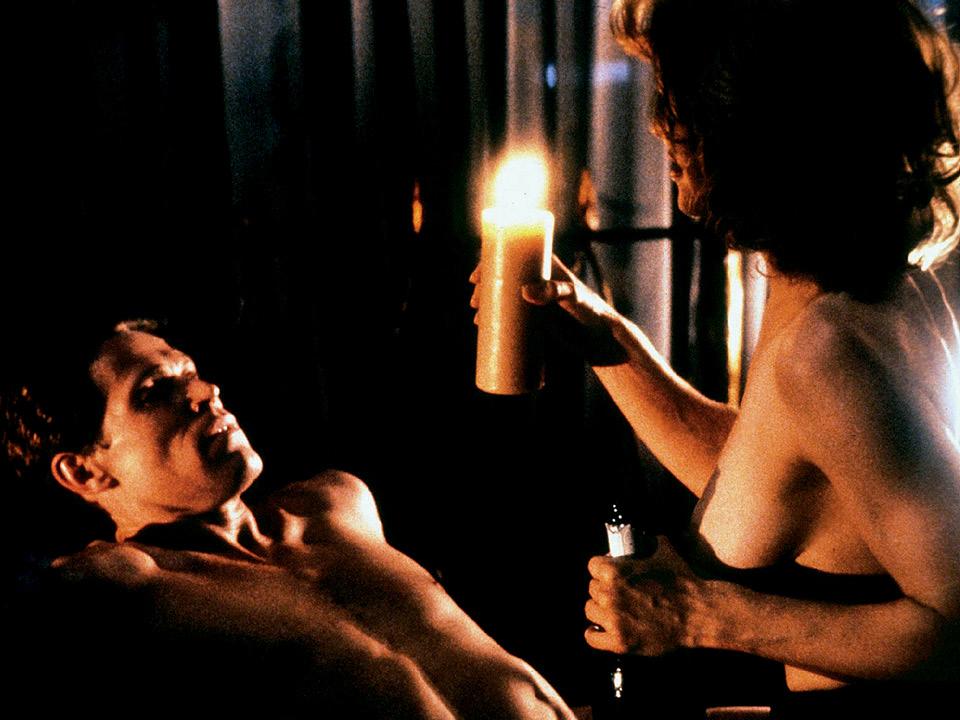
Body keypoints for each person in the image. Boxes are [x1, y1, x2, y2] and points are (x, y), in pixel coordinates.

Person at [473, 0, 959, 714]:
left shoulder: (828, 349)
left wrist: (696, 615)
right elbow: (774, 474)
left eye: (681, 103)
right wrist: (609, 342)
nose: (658, 127)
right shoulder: (838, 287)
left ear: (761, 124)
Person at [2, 319, 575, 719]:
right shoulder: (118, 588)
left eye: (192, 373)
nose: (207, 391)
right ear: (84, 471)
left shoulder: (337, 504)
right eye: (156, 393)